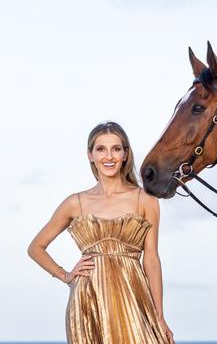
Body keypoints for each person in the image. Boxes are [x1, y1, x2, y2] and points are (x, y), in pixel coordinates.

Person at [28, 121, 174, 344]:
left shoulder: (145, 199)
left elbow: (152, 260)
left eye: (116, 149)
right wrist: (65, 275)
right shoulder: (75, 203)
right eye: (101, 149)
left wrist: (160, 316)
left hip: (134, 297)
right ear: (90, 155)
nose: (109, 156)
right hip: (88, 299)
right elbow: (35, 248)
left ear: (125, 154)